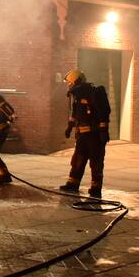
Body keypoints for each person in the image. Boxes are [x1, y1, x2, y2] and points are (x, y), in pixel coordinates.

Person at [59, 69, 110, 197]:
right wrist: (70, 127)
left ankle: (95, 188)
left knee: (96, 162)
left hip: (95, 135)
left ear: (76, 81)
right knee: (77, 160)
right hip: (82, 135)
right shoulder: (78, 97)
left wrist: (103, 131)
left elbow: (103, 112)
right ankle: (73, 184)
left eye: (70, 83)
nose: (69, 86)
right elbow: (75, 114)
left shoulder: (93, 94)